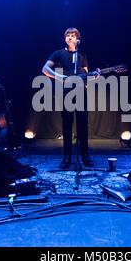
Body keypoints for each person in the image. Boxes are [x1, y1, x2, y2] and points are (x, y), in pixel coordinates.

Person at [42, 27, 99, 168]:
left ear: (77, 39)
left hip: (80, 93)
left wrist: (95, 77)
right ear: (65, 38)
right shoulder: (58, 53)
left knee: (82, 124)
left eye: (73, 35)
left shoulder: (82, 56)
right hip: (65, 92)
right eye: (68, 35)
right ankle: (66, 157)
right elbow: (45, 69)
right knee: (67, 124)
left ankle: (85, 156)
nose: (70, 37)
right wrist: (59, 77)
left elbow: (86, 77)